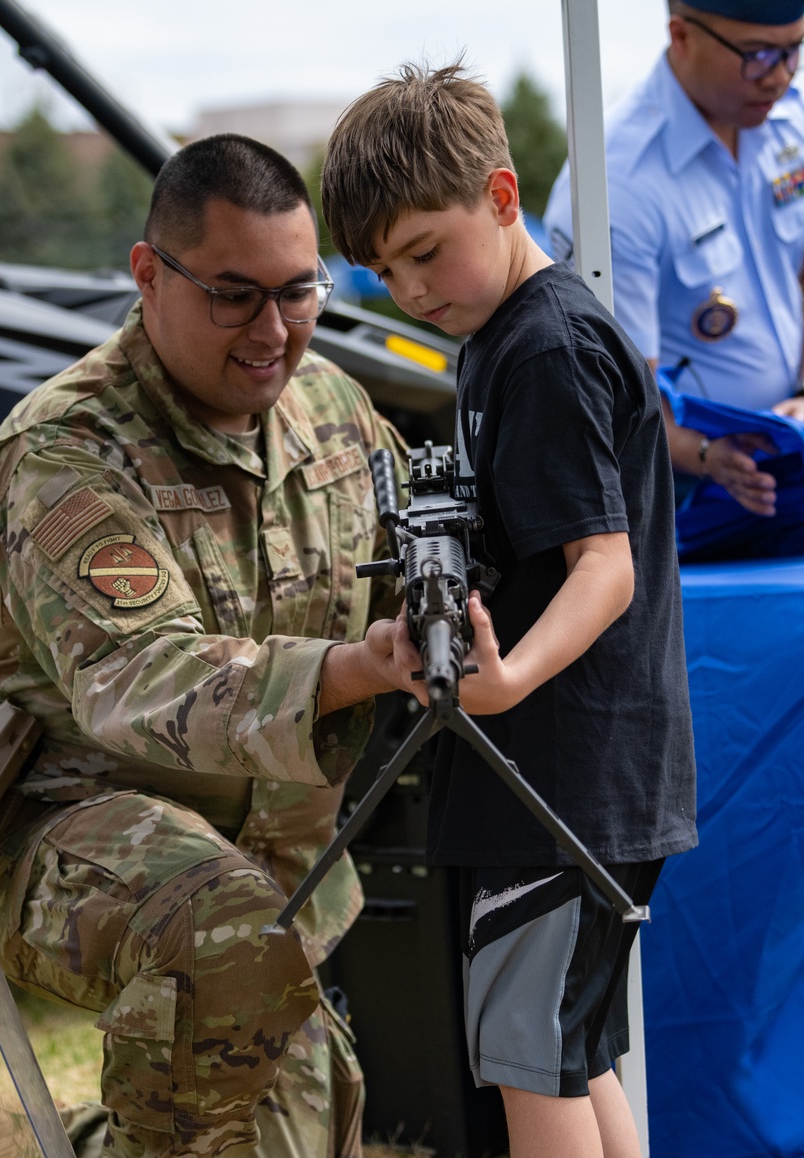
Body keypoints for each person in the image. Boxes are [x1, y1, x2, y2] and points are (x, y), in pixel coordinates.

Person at [0, 133, 412, 1158]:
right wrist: (354, 670)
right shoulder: (65, 454)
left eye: (300, 293)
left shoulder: (336, 413)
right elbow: (137, 679)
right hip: (54, 835)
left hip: (264, 869)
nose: (274, 331)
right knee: (228, 940)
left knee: (295, 1138)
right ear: (148, 274)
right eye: (234, 295)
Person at [320, 63, 698, 1158]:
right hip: (564, 776)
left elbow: (604, 568)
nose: (411, 289)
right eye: (381, 270)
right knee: (570, 1053)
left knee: (526, 1056)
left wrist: (514, 676)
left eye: (425, 250)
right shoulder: (500, 335)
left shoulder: (544, 346)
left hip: (565, 776)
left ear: (500, 193)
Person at [545, 0, 804, 519]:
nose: (778, 77)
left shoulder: (788, 120)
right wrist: (706, 456)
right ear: (681, 35)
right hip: (686, 491)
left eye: (794, 51)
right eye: (756, 55)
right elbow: (618, 399)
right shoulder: (618, 184)